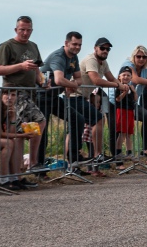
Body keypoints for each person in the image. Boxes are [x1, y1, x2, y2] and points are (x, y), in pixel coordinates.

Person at [0, 15, 47, 171]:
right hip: (13, 93)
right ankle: (27, 165)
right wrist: (20, 66)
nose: (25, 33)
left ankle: (26, 165)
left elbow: (36, 69)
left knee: (25, 128)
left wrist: (42, 82)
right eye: (22, 29)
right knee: (33, 124)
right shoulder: (7, 46)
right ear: (16, 29)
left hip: (30, 93)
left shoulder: (33, 46)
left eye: (28, 30)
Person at [39, 31, 101, 166]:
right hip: (41, 97)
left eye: (80, 45)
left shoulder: (74, 58)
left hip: (54, 96)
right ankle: (39, 165)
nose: (77, 47)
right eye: (74, 44)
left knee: (78, 119)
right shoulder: (58, 57)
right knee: (42, 131)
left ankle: (74, 158)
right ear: (66, 43)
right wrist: (71, 84)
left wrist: (70, 84)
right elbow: (59, 79)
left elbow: (78, 78)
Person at [82, 37, 130, 164]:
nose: (105, 51)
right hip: (76, 96)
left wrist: (122, 85)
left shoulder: (104, 63)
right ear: (95, 48)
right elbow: (96, 80)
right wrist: (117, 85)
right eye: (102, 48)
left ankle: (93, 158)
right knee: (92, 122)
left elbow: (111, 78)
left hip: (84, 97)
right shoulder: (91, 60)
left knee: (90, 123)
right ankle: (94, 156)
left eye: (107, 49)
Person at [0, 88, 40, 191]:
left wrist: (13, 117)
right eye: (6, 94)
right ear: (1, 95)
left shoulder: (8, 109)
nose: (9, 97)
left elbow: (11, 132)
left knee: (12, 141)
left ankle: (14, 178)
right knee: (8, 143)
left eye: (13, 95)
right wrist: (23, 135)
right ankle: (3, 180)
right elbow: (0, 134)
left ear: (17, 97)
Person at [119, 45, 147, 166]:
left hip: (132, 102)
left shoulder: (146, 68)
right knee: (118, 130)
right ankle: (117, 160)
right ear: (134, 56)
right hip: (118, 101)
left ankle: (146, 148)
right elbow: (136, 79)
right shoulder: (128, 64)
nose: (141, 59)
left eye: (144, 57)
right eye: (139, 56)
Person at [114, 65, 137, 161]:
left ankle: (129, 152)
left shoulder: (131, 87)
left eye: (128, 75)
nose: (126, 77)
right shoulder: (118, 87)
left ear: (131, 77)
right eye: (124, 75)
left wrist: (134, 91)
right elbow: (117, 99)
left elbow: (135, 99)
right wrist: (124, 92)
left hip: (130, 111)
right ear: (119, 77)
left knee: (129, 133)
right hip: (121, 110)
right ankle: (118, 152)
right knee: (122, 132)